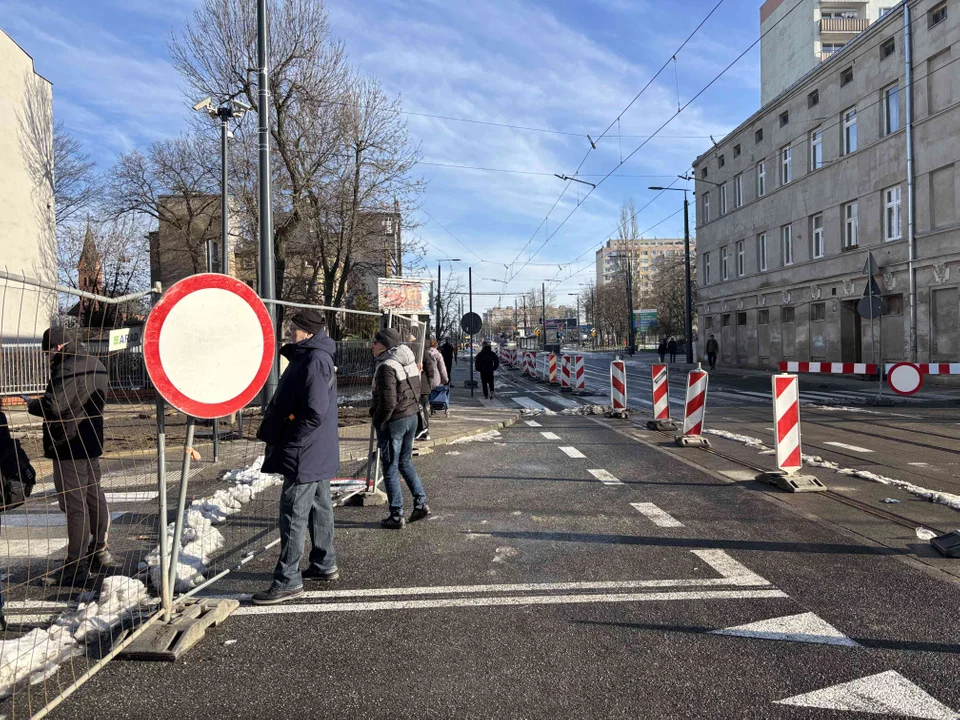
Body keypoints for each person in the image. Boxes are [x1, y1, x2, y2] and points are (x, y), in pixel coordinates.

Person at [253, 309, 339, 605]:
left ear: (309, 332)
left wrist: (291, 435)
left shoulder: (314, 360)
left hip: (305, 449)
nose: (290, 332)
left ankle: (288, 580)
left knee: (293, 513)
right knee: (319, 506)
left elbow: (315, 410)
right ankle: (324, 563)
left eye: (295, 328)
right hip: (315, 448)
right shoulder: (312, 356)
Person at [27, 327, 111, 586]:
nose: (49, 357)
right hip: (90, 441)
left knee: (75, 504)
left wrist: (32, 403)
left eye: (49, 352)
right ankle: (99, 549)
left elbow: (54, 406)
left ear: (57, 347)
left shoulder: (67, 367)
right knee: (93, 495)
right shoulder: (94, 362)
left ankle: (76, 564)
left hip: (68, 444)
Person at [371, 328, 430, 529]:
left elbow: (388, 402)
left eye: (375, 342)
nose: (372, 345)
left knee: (389, 468)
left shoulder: (386, 366)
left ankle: (396, 515)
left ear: (385, 345)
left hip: (394, 421)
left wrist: (378, 420)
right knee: (404, 462)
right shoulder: (408, 360)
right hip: (411, 416)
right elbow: (418, 389)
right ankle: (421, 503)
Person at [415, 336, 439, 442]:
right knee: (421, 408)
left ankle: (424, 431)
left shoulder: (421, 351)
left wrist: (430, 381)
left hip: (422, 385)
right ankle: (422, 430)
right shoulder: (420, 350)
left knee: (422, 408)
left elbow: (430, 368)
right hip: (421, 385)